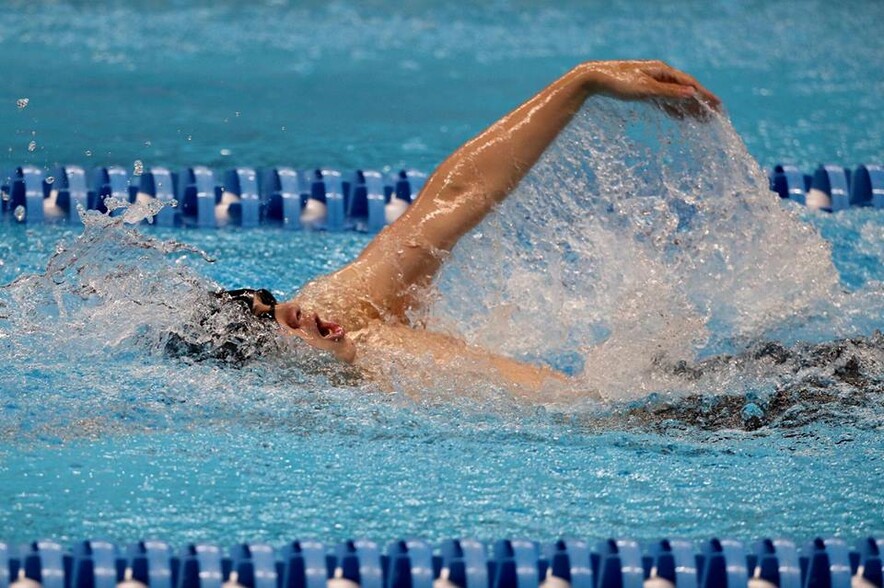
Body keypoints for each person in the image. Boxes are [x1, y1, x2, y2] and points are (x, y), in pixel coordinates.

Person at [222, 60, 720, 394]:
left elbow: (455, 199)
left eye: (275, 300)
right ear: (265, 364)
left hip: (657, 407)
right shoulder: (333, 394)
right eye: (276, 321)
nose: (294, 309)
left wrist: (583, 82)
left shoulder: (344, 310)